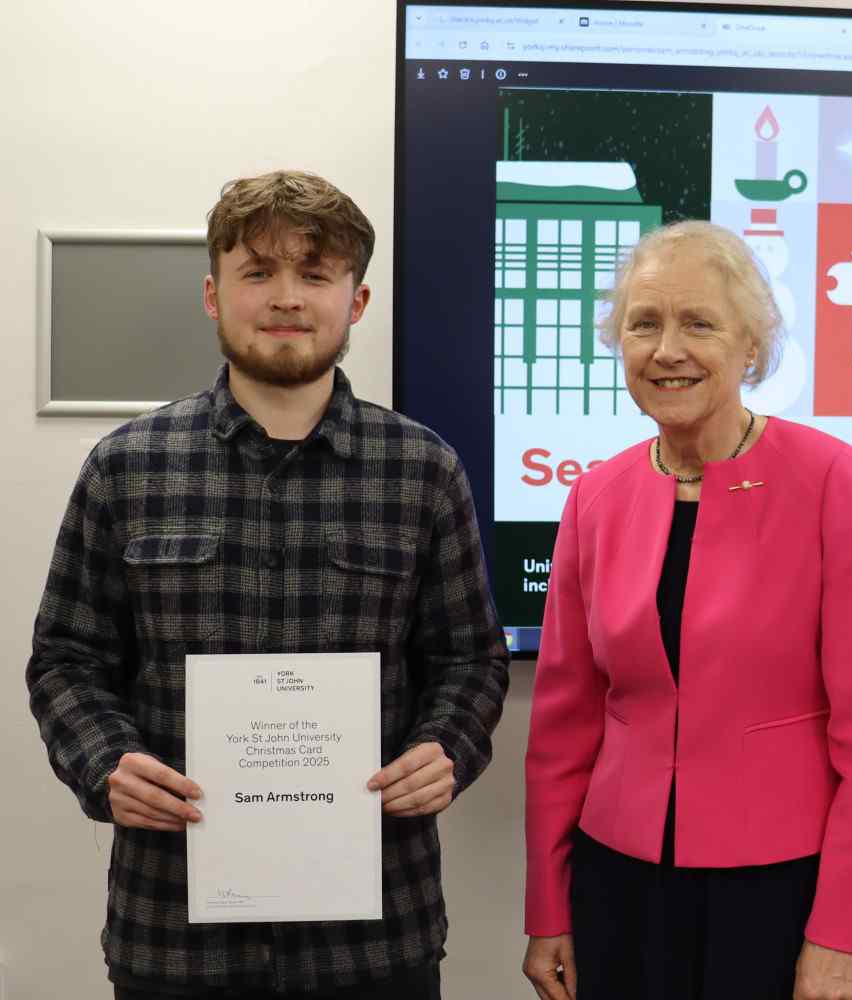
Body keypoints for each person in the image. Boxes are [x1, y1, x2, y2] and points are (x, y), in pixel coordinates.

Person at [25, 170, 510, 999]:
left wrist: (447, 751)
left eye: (315, 273)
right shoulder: (126, 466)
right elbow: (65, 660)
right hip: (174, 935)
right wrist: (105, 762)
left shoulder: (424, 470)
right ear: (214, 294)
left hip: (376, 938)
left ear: (355, 301)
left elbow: (471, 659)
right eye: (258, 272)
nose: (286, 297)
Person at [521, 220, 852, 1000]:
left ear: (753, 347)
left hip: (780, 893)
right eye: (645, 324)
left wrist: (845, 936)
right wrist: (548, 909)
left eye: (699, 322)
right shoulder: (595, 496)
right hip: (619, 887)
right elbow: (563, 723)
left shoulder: (835, 481)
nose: (668, 350)